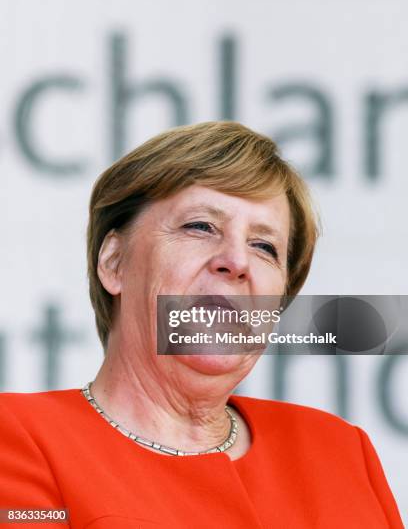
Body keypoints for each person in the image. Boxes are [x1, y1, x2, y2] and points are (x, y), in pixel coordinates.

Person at [0, 121, 403, 528]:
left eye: (264, 246)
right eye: (200, 226)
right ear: (114, 263)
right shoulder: (18, 438)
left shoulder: (340, 451)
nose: (237, 261)